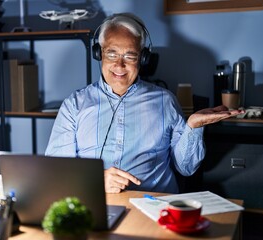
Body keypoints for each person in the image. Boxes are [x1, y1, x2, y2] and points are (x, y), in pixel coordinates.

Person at [45, 13, 243, 194]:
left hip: (154, 207)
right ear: (99, 53)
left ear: (143, 59)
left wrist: (193, 127)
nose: (119, 65)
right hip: (95, 203)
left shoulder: (165, 101)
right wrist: (96, 181)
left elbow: (187, 168)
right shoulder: (74, 105)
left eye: (130, 56)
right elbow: (56, 170)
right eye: (112, 54)